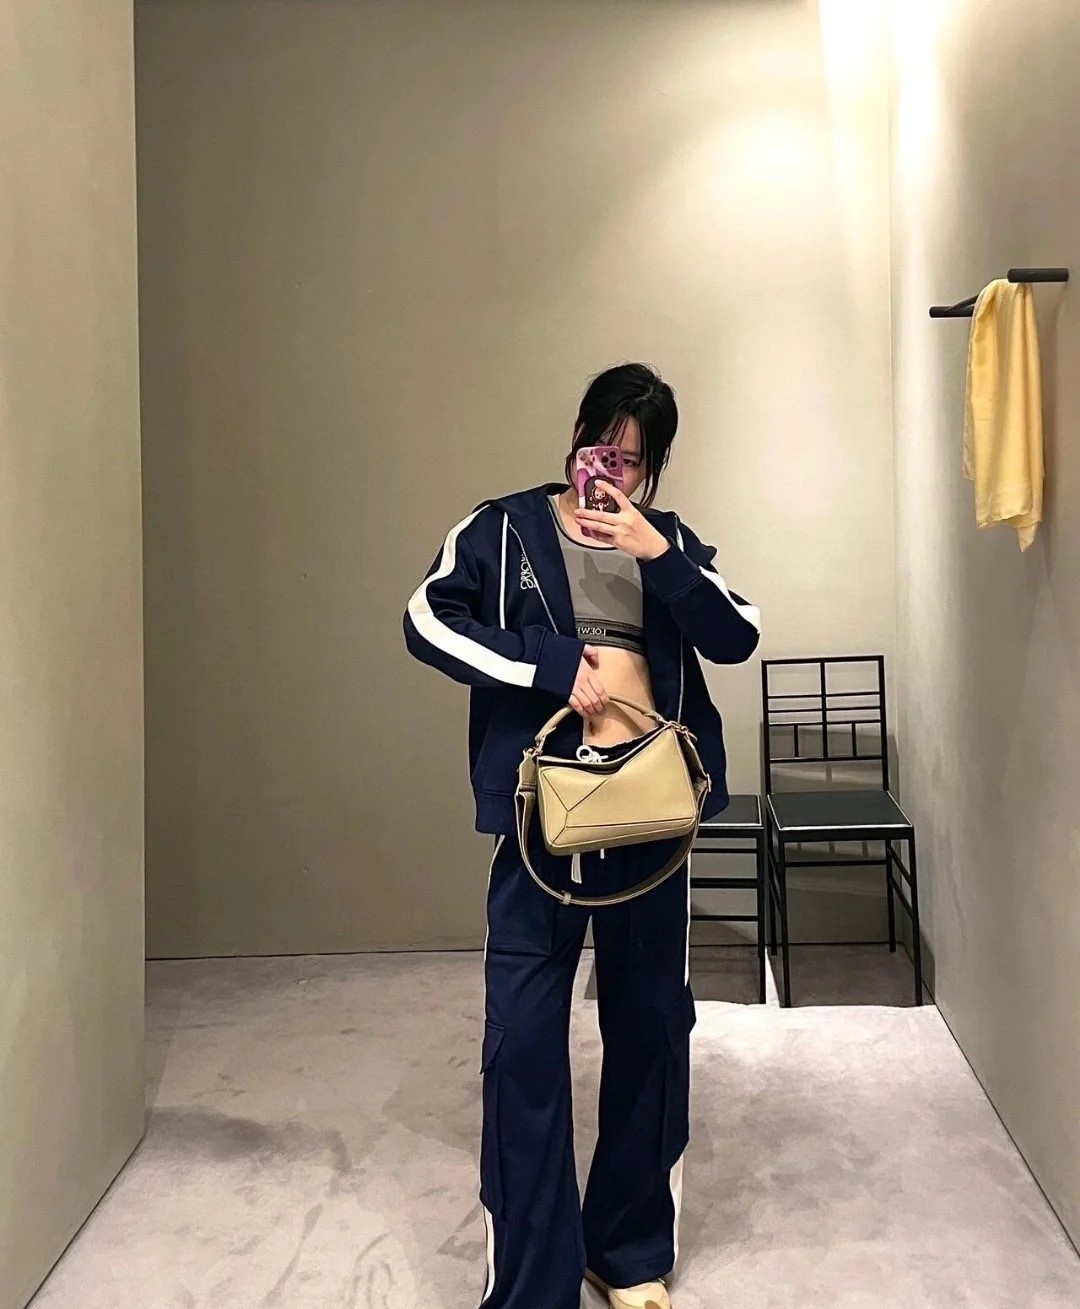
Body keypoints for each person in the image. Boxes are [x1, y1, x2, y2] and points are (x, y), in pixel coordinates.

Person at [402, 363, 761, 1309]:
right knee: (523, 1041)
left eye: (634, 460)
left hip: (653, 816)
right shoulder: (503, 529)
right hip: (541, 818)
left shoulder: (669, 539)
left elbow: (736, 636)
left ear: (654, 469)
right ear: (576, 438)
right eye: (603, 447)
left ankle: (629, 1252)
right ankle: (531, 1283)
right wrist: (551, 663)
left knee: (652, 1029)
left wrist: (657, 553)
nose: (613, 470)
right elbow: (426, 620)